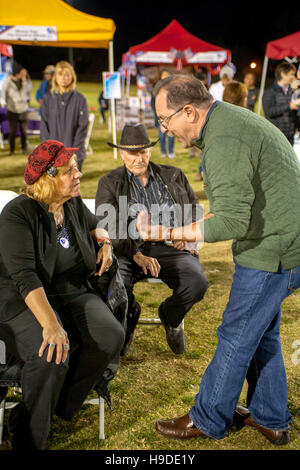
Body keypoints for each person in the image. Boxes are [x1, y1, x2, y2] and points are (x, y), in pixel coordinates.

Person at [138, 73, 300, 445]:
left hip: (273, 252)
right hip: (283, 243)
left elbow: (230, 220)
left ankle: (208, 417)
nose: (165, 129)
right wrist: (184, 231)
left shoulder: (225, 138)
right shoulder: (228, 120)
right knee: (262, 334)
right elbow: (230, 207)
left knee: (236, 335)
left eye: (165, 120)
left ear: (189, 112)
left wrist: (165, 233)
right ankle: (271, 418)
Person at [0, 140, 125, 449]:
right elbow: (24, 277)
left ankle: (53, 407)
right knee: (51, 351)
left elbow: (96, 224)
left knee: (111, 335)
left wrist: (105, 242)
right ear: (49, 177)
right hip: (25, 300)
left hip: (71, 292)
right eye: (70, 171)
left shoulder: (70, 204)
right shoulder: (18, 214)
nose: (78, 174)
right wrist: (51, 325)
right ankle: (29, 437)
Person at [95, 124, 209, 356]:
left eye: (143, 151)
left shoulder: (173, 175)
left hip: (168, 246)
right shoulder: (110, 182)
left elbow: (194, 210)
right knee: (117, 286)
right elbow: (109, 227)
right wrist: (136, 253)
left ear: (149, 151)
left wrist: (188, 239)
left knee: (197, 281)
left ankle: (170, 316)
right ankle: (129, 318)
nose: (138, 158)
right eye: (132, 152)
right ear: (122, 153)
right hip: (128, 251)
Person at [40, 61, 89, 172]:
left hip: (74, 153)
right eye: (60, 74)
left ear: (72, 77)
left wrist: (73, 151)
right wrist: (49, 150)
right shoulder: (48, 98)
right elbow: (44, 125)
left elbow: (83, 127)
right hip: (52, 156)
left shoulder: (80, 99)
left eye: (67, 74)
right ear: (55, 77)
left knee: (72, 188)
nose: (64, 78)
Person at [262, 62, 300, 145]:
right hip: (275, 136)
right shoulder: (270, 91)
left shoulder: (292, 92)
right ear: (283, 74)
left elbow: (294, 115)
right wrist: (290, 105)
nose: (293, 77)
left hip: (290, 137)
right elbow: (269, 112)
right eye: (291, 74)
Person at [1, 62, 28, 155]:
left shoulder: (24, 80)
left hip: (23, 109)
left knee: (24, 131)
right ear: (17, 72)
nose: (24, 73)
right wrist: (3, 101)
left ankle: (24, 149)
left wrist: (24, 81)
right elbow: (3, 91)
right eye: (22, 72)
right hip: (12, 109)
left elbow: (26, 92)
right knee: (12, 131)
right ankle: (12, 150)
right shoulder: (8, 81)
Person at [151, 69, 175, 158]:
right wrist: (157, 114)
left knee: (171, 135)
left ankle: (171, 151)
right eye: (164, 77)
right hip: (160, 116)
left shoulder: (173, 89)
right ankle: (163, 152)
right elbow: (153, 103)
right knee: (161, 136)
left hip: (171, 116)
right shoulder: (156, 89)